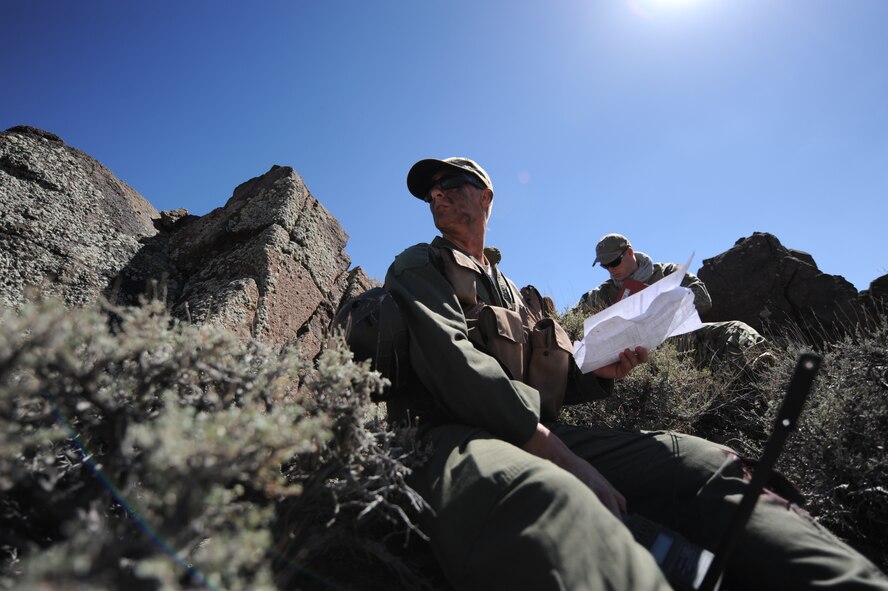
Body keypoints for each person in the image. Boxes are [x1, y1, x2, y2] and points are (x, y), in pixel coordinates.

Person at [383, 156, 888, 590]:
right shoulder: (419, 265)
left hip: (536, 430)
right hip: (452, 437)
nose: (438, 196)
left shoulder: (513, 289)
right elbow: (454, 367)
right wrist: (556, 451)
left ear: (485, 196)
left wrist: (602, 371)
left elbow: (546, 383)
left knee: (698, 463)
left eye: (450, 185)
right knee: (549, 498)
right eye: (431, 192)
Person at [576, 233, 769, 368]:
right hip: (634, 359)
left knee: (734, 329)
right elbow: (575, 322)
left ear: (630, 252)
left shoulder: (668, 273)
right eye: (605, 266)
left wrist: (660, 307)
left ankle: (764, 369)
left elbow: (703, 299)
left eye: (614, 262)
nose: (611, 269)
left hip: (681, 340)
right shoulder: (601, 294)